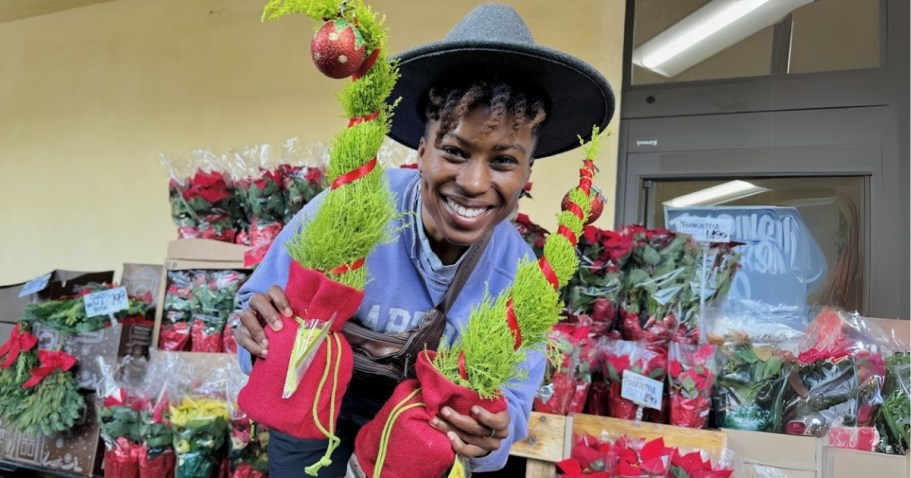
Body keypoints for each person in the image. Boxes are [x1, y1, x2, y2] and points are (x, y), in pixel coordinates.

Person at [234, 3, 614, 476]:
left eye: (502, 161)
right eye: (454, 152)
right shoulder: (351, 206)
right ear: (421, 150)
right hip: (309, 409)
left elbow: (511, 407)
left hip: (413, 438)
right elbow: (253, 304)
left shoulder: (518, 277)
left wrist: (489, 432)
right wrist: (257, 330)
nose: (474, 183)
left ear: (527, 173)